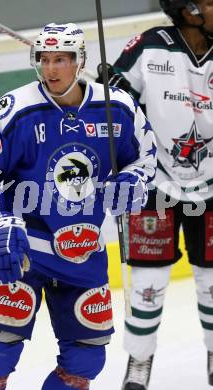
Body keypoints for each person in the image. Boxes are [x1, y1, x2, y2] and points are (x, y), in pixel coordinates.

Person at [0, 22, 156, 390]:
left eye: (61, 60)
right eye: (45, 60)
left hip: (84, 253)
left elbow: (145, 159)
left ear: (79, 60)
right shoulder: (17, 109)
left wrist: (134, 181)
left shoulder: (117, 107)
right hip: (24, 251)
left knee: (86, 359)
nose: (51, 69)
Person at [97, 1, 213, 388]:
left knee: (212, 281)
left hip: (212, 188)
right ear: (187, 9)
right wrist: (106, 90)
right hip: (153, 185)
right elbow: (114, 99)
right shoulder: (149, 46)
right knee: (147, 281)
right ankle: (139, 360)